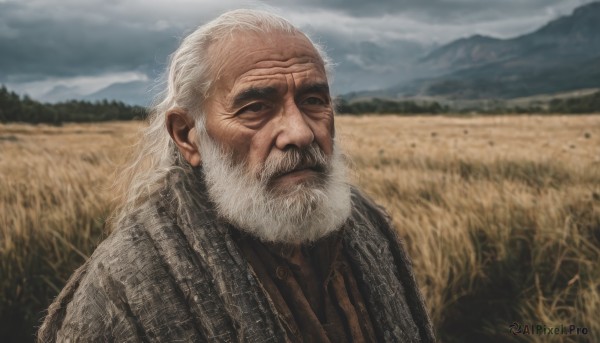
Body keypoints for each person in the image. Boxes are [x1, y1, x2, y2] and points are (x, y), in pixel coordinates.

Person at [37, 9, 435, 343]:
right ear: (187, 136)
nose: (299, 132)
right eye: (255, 107)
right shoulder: (121, 294)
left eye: (313, 101)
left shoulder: (369, 226)